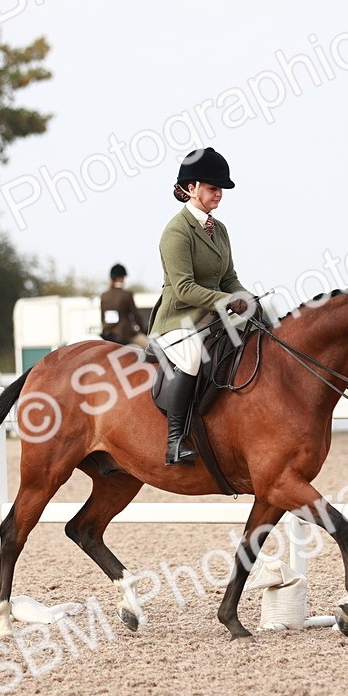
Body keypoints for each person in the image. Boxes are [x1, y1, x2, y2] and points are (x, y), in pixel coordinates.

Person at [148, 147, 252, 466]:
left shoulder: (219, 230)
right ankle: (175, 440)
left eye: (220, 189)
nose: (218, 194)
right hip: (178, 321)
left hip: (211, 321)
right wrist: (225, 300)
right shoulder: (176, 231)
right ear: (191, 188)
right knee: (194, 355)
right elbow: (184, 288)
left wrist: (246, 298)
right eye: (212, 188)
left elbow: (229, 277)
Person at [100, 264, 149, 348]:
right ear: (122, 277)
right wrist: (143, 330)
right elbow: (136, 315)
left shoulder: (104, 295)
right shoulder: (126, 294)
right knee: (153, 349)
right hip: (125, 335)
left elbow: (102, 317)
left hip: (107, 334)